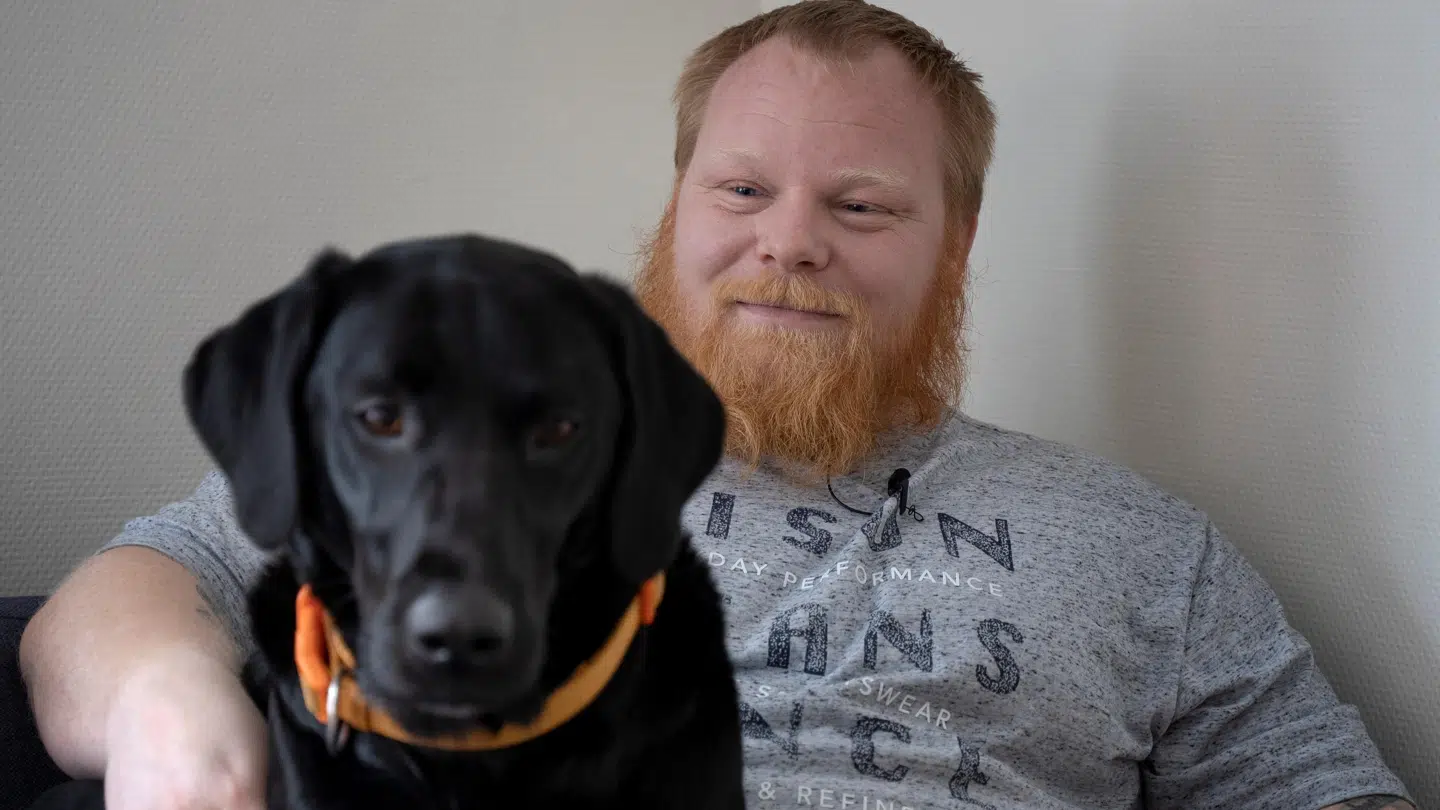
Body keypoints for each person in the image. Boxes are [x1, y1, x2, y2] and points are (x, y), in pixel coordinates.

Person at [17, 2, 1416, 809]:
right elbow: (125, 595)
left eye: (859, 205)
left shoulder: (1143, 547)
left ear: (957, 245)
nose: (788, 241)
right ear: (677, 209)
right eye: (742, 190)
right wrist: (167, 714)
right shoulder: (468, 450)